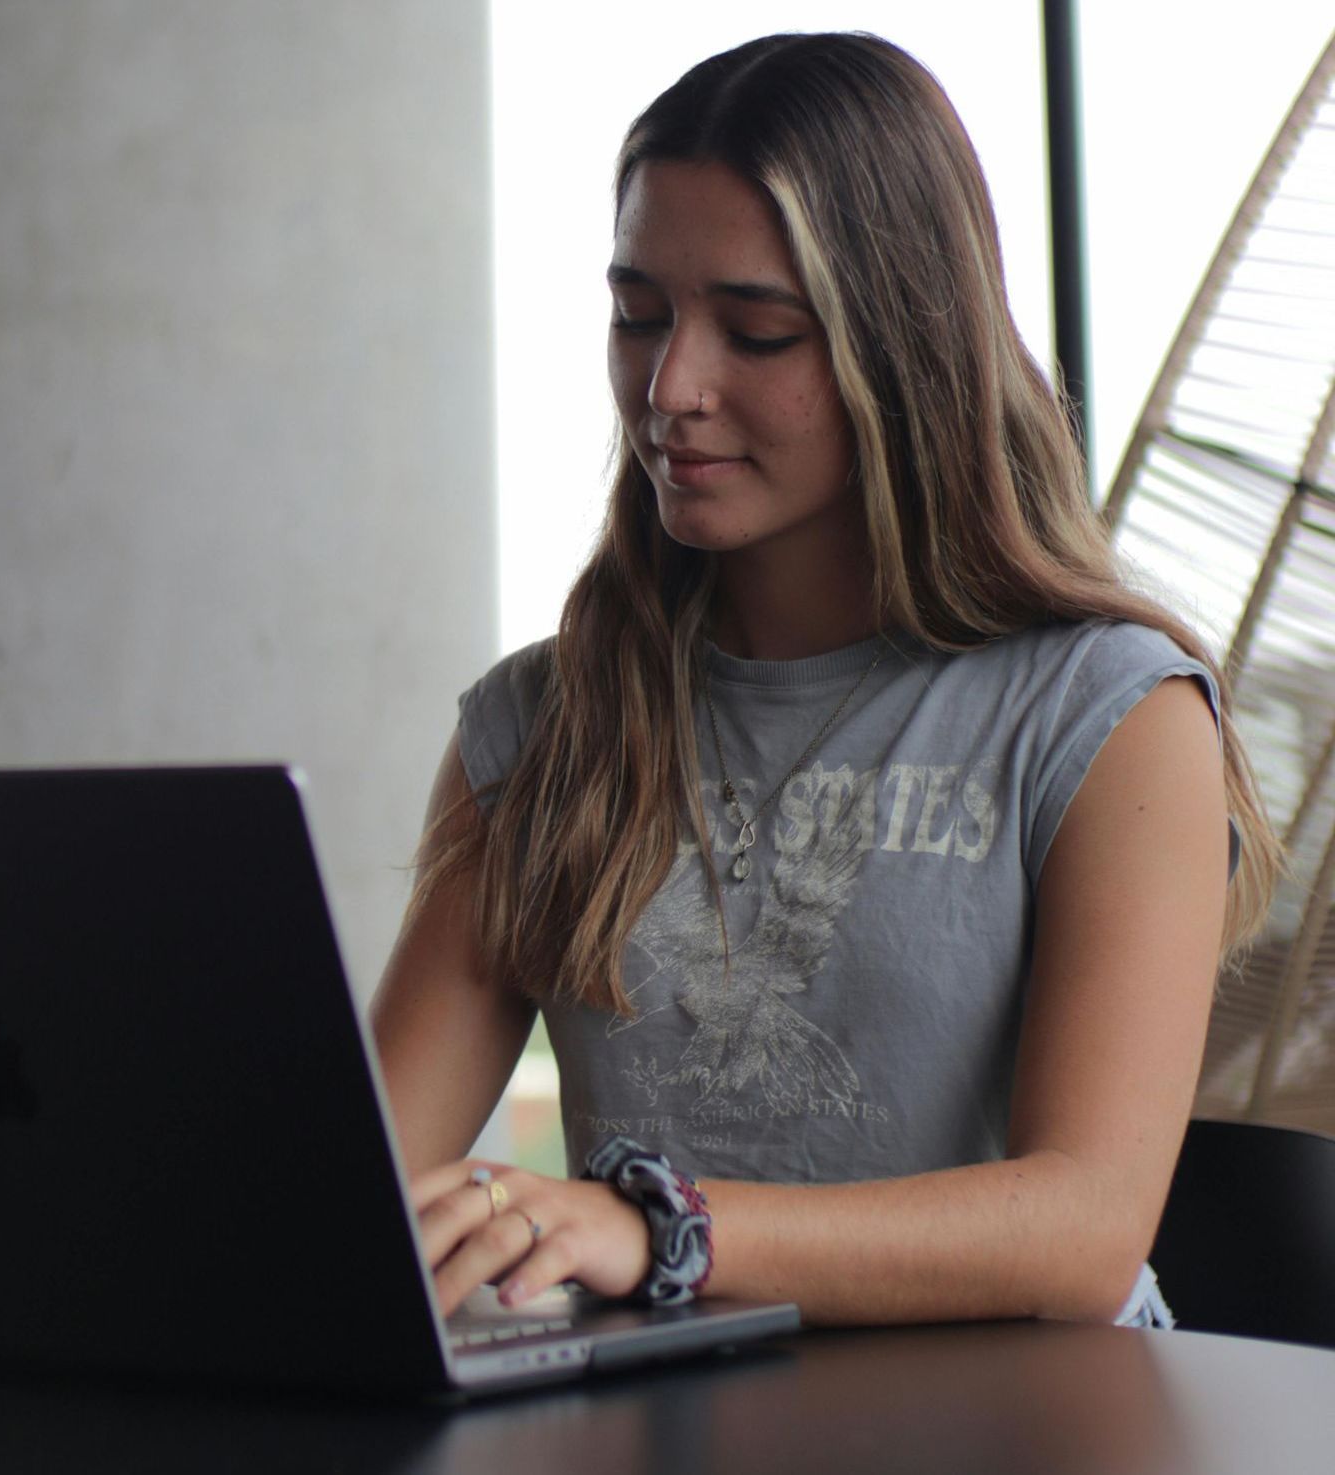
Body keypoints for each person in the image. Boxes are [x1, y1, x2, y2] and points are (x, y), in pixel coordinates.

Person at [370, 32, 1280, 1329]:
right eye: (638, 315)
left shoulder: (1112, 718)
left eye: (755, 331)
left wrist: (658, 1228)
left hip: (1034, 1438)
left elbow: (1084, 1228)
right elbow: (368, 1194)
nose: (670, 387)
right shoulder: (541, 728)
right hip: (670, 1432)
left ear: (902, 348)